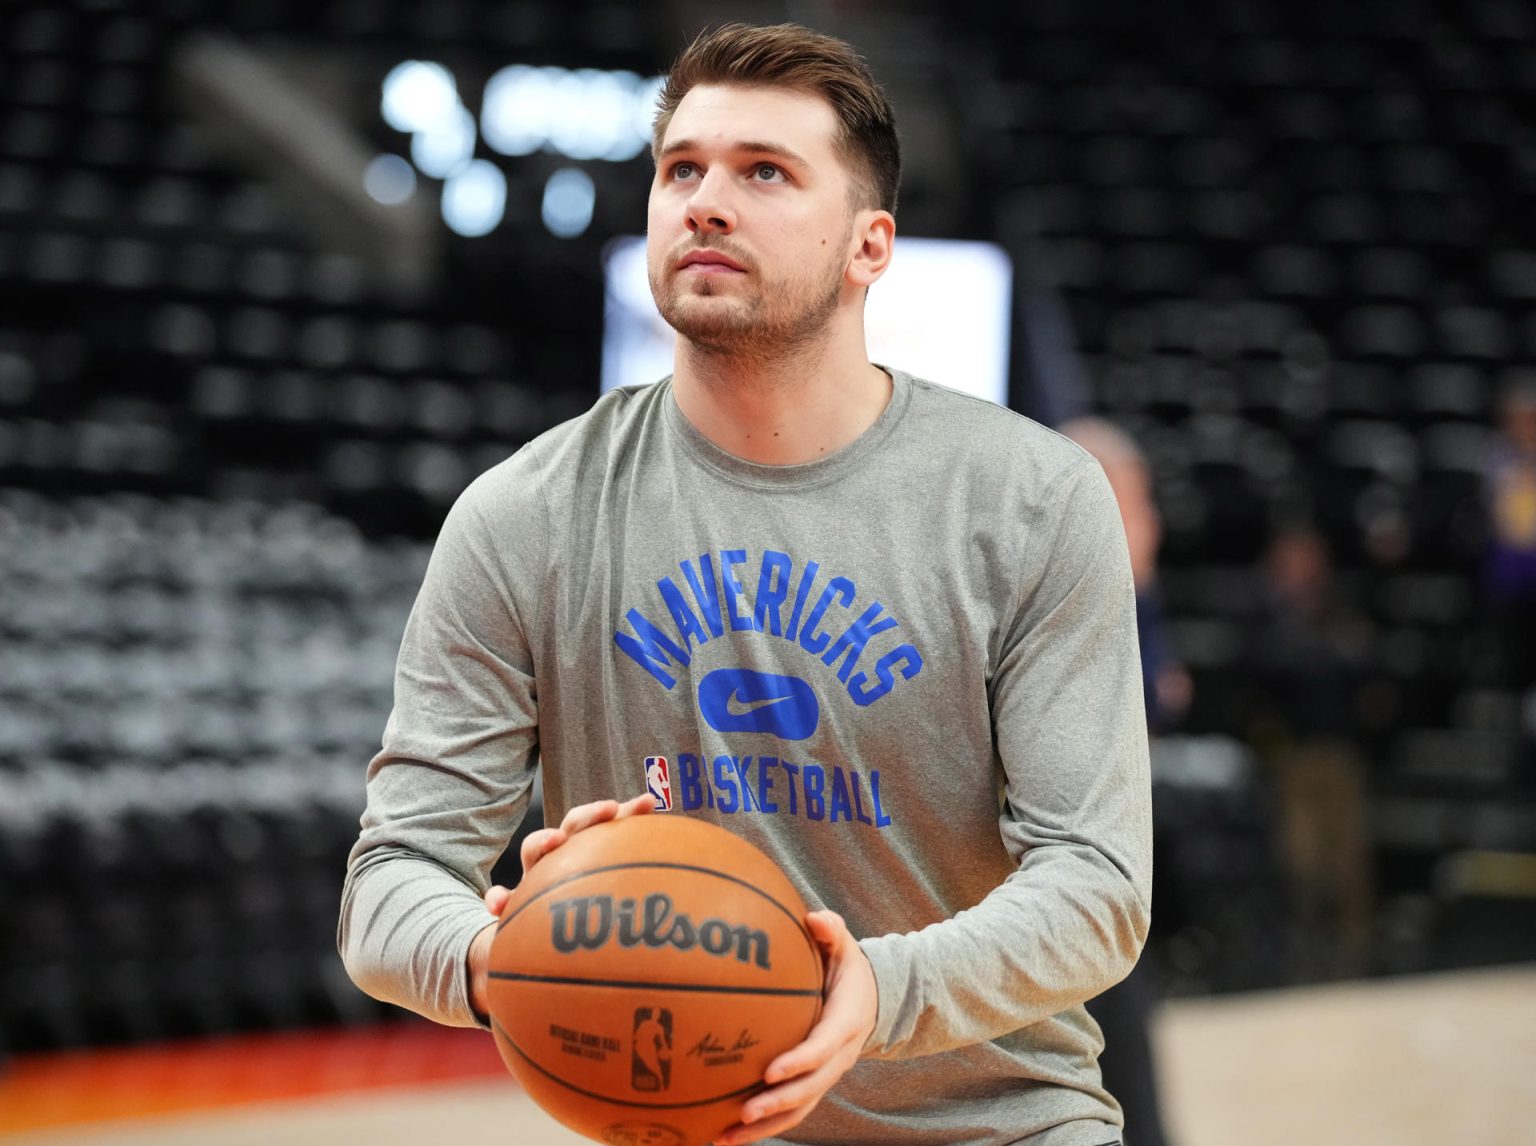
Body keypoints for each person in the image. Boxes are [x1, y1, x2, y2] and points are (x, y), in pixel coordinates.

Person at [339, 22, 1151, 1146]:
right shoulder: (523, 515)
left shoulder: (1031, 501)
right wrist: (516, 953)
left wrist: (873, 987)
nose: (706, 202)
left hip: (999, 1126)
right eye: (683, 170)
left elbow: (1098, 888)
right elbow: (391, 882)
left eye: (764, 171)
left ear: (871, 246)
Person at [1059, 418, 1185, 1146]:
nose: (1154, 529)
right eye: (1137, 508)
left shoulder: (1131, 611)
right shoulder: (1061, 621)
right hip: (1061, 910)